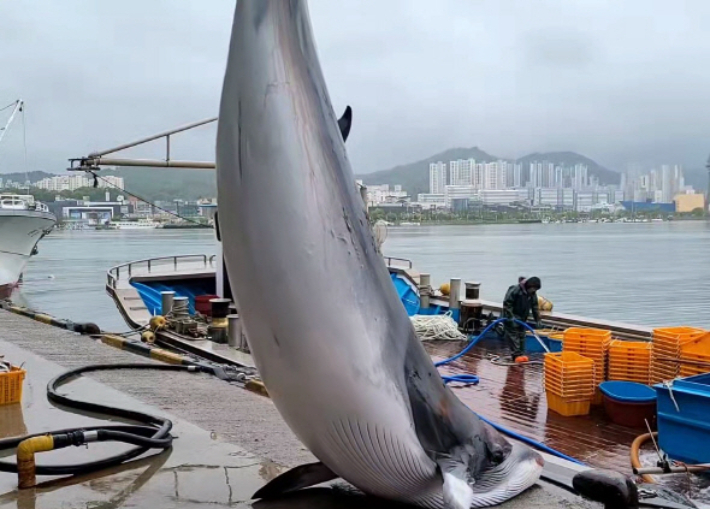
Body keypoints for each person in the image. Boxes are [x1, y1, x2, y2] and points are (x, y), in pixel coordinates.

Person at [502, 276, 542, 363]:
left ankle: (522, 354)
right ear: (529, 286)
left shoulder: (532, 294)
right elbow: (507, 304)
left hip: (522, 318)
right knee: (513, 336)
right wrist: (510, 316)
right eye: (533, 288)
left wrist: (537, 319)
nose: (534, 291)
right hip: (511, 318)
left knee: (522, 336)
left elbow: (534, 306)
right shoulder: (515, 290)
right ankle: (516, 355)